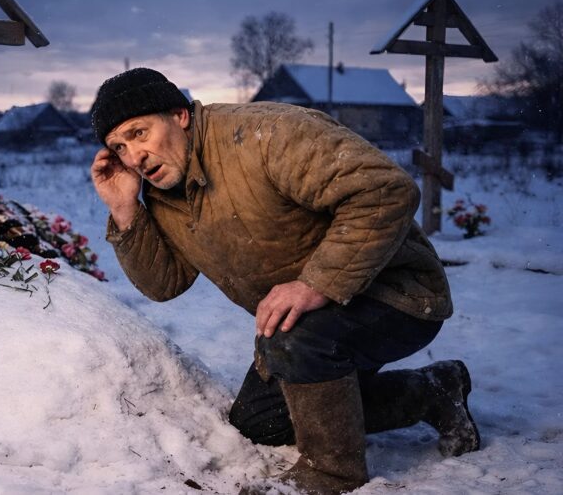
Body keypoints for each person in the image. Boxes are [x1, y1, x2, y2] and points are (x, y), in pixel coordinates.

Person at [89, 67, 480, 494]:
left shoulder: (268, 134)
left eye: (140, 133)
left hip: (397, 292)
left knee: (297, 342)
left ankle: (330, 475)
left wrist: (315, 284)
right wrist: (125, 210)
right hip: (310, 321)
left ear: (179, 115)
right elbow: (165, 284)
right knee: (260, 422)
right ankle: (433, 392)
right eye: (119, 147)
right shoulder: (164, 190)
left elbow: (385, 191)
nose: (134, 157)